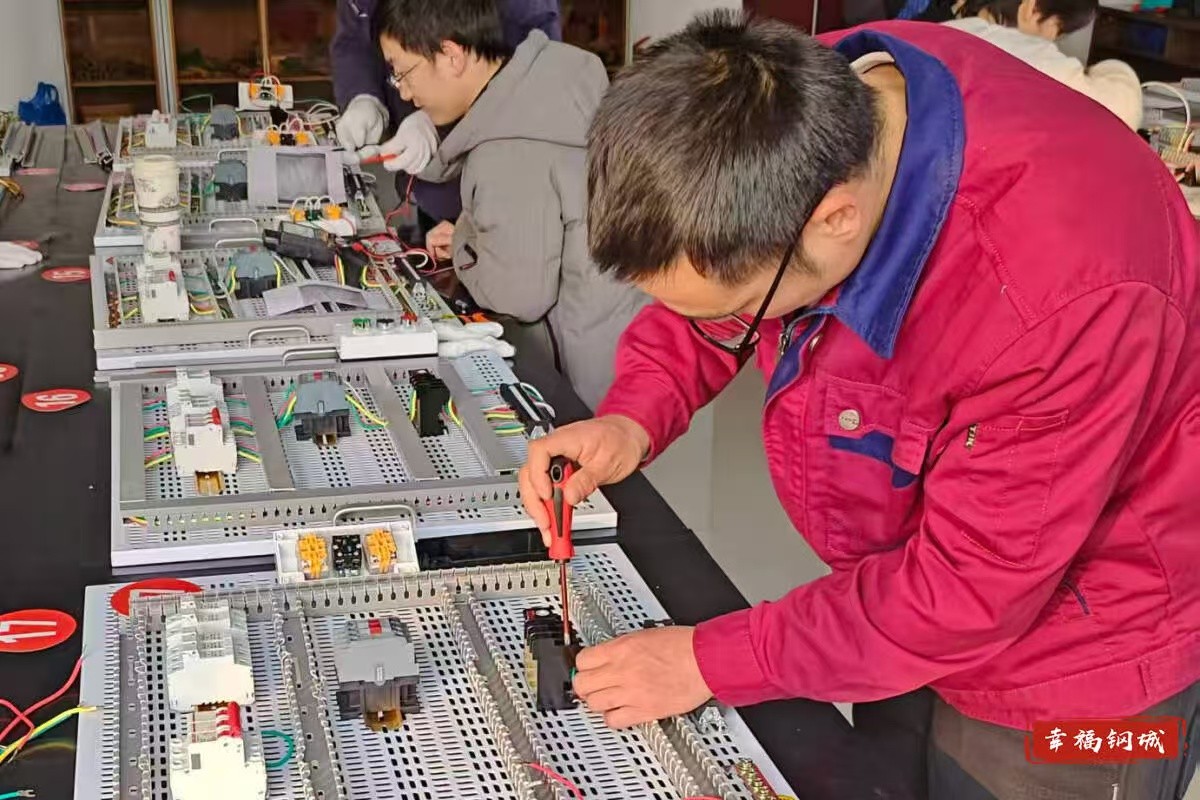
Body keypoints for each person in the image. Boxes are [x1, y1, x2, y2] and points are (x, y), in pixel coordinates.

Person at [518, 12, 1200, 798]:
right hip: (903, 603)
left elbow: (963, 595)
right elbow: (719, 286)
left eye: (734, 307)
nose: (720, 322)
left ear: (835, 219)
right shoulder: (805, 104)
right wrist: (631, 418)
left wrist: (708, 661)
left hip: (1089, 682)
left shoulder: (1062, 289)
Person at [372, 0, 649, 408]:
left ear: (451, 55)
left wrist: (465, 241)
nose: (405, 92)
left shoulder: (507, 152)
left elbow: (517, 297)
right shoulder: (558, 82)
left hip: (582, 386)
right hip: (630, 349)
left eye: (402, 71)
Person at [331, 0, 561, 233]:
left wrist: (438, 121)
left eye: (402, 74)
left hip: (498, 182)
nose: (404, 94)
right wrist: (363, 97)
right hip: (447, 204)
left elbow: (536, 72)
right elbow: (354, 38)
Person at [946, 0, 1143, 128]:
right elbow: (1122, 112)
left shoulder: (943, 31)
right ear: (1032, 8)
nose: (1053, 41)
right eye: (1059, 29)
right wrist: (1109, 68)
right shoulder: (1027, 54)